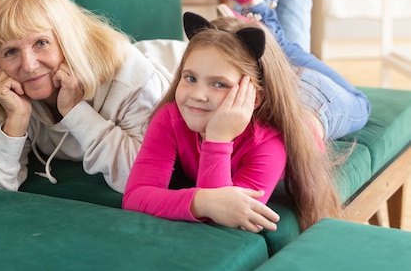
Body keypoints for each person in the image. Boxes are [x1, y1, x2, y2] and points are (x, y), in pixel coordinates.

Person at [0, 0, 186, 193]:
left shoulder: (131, 79)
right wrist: (15, 122)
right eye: (10, 51)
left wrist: (75, 110)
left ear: (66, 40)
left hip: (178, 65)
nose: (28, 66)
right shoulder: (9, 90)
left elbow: (145, 178)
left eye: (41, 43)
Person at [122, 12, 342, 233]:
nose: (198, 94)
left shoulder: (270, 144)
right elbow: (135, 196)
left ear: (253, 98)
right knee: (290, 49)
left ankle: (265, 6)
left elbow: (222, 220)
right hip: (288, 80)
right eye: (190, 78)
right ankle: (261, 4)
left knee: (357, 100)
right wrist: (202, 201)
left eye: (219, 84)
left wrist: (218, 139)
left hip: (323, 103)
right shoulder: (170, 117)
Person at [220, 0, 371, 141]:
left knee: (284, 48)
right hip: (292, 98)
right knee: (284, 48)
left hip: (290, 98)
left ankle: (266, 0)